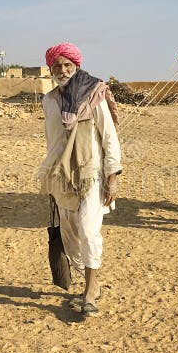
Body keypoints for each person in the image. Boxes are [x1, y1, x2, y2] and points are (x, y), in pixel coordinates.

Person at [38, 42, 122, 317]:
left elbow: (109, 136)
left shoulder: (94, 95)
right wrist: (50, 176)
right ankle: (87, 280)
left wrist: (113, 175)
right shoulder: (49, 101)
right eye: (57, 66)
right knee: (70, 234)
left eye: (67, 65)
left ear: (76, 65)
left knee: (87, 230)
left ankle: (91, 288)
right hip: (61, 176)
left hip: (91, 174)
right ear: (51, 69)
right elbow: (52, 142)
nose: (62, 70)